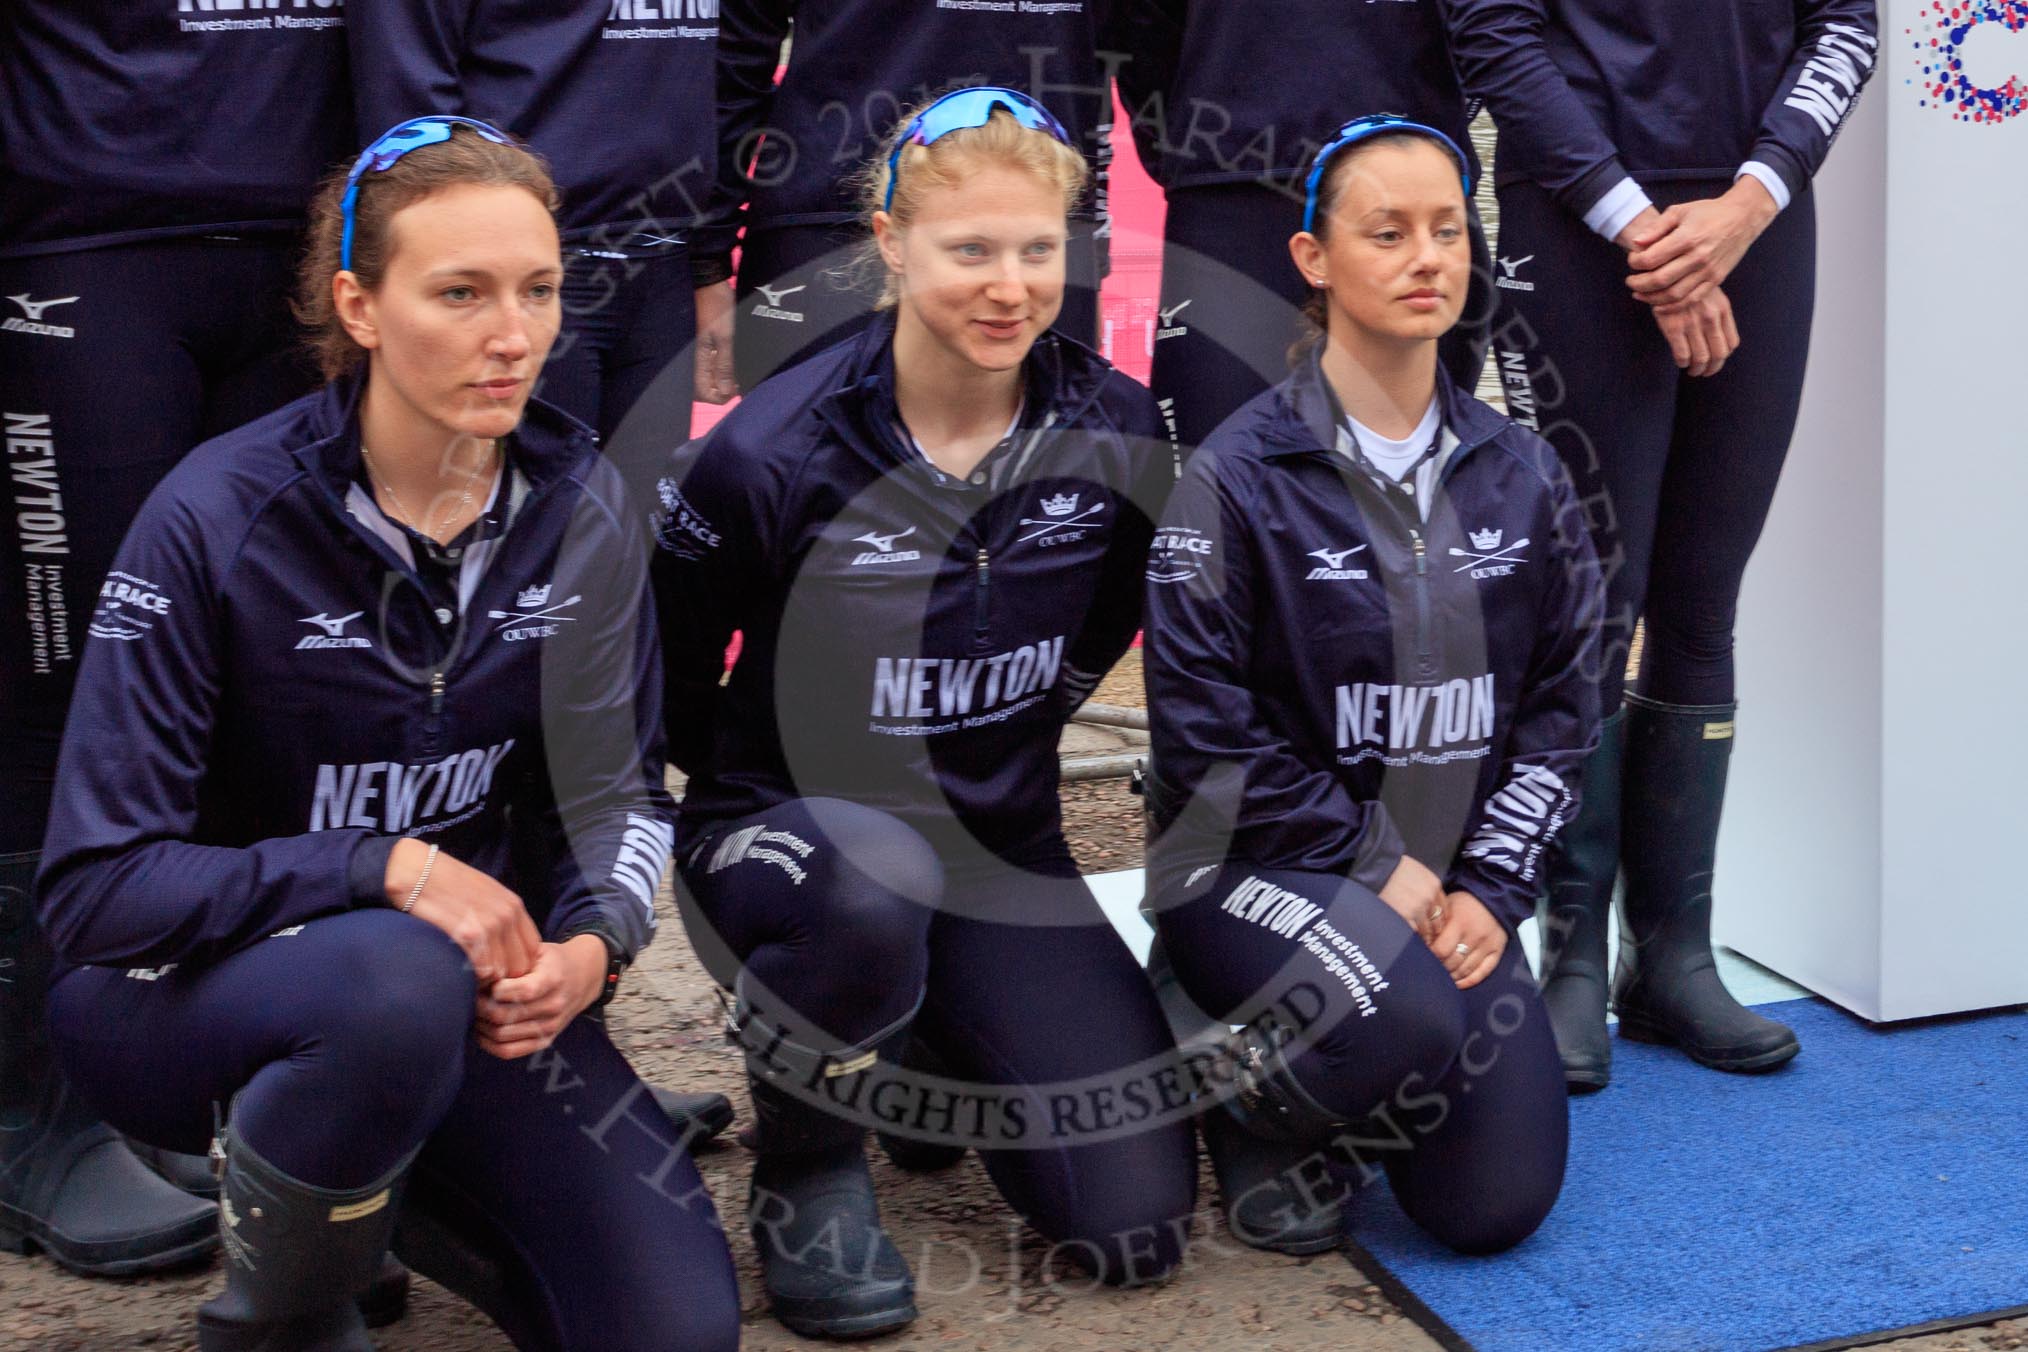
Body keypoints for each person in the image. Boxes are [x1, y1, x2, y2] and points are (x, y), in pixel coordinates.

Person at [34, 119, 740, 1352]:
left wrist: (592, 946)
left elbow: (619, 795)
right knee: (391, 969)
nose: (511, 334)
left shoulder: (583, 504)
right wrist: (381, 865)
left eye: (537, 289)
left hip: (447, 1009)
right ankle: (281, 1312)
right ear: (359, 307)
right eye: (458, 293)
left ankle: (382, 1197)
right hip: (179, 999)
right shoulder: (214, 513)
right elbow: (96, 894)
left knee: (671, 1327)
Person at [654, 88, 1195, 1340]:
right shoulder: (771, 450)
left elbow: (1113, 614)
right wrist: (760, 784)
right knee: (867, 880)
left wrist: (1021, 726)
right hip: (794, 840)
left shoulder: (1113, 425)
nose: (1008, 285)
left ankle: (926, 1030)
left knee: (1136, 1224)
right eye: (969, 250)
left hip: (1000, 846)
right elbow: (665, 679)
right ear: (890, 244)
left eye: (1036, 249)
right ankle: (808, 1163)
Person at [1142, 118, 1600, 1256]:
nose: (1428, 256)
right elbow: (1205, 737)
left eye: (1449, 230)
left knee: (1495, 1204)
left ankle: (1361, 1064)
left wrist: (1492, 888)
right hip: (1253, 873)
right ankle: (1242, 1087)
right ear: (1314, 260)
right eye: (1387, 232)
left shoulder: (1525, 469)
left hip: (1441, 896)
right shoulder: (1234, 476)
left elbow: (1563, 709)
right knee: (1399, 1012)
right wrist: (1370, 860)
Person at [1443, 0, 1878, 1088]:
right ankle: (1572, 959)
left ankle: (1672, 954)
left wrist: (1748, 202)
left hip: (1760, 228)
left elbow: (1849, 25)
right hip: (1579, 228)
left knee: (1700, 599)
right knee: (1592, 603)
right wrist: (1639, 223)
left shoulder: (1753, 214)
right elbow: (1491, 31)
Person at [0, 0, 355, 1279]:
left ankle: (177, 1075)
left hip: (293, 258)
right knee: (64, 675)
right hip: (84, 255)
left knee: (257, 680)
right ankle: (36, 1115)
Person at [1114, 0, 1492, 451]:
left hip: (1408, 169)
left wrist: (1416, 136)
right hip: (1232, 185)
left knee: (1426, 478)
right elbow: (1138, 30)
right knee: (1213, 473)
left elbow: (1493, 30)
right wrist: (1195, 141)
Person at [697, 0, 1120, 396]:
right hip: (828, 228)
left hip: (1038, 232)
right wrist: (705, 264)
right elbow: (732, 53)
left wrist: (1089, 257)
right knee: (808, 465)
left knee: (1033, 470)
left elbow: (1106, 51)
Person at [347, 0, 721, 447]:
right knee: (515, 502)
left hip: (666, 252)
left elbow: (732, 69)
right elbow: (409, 105)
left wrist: (708, 266)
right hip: (522, 262)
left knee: (646, 507)